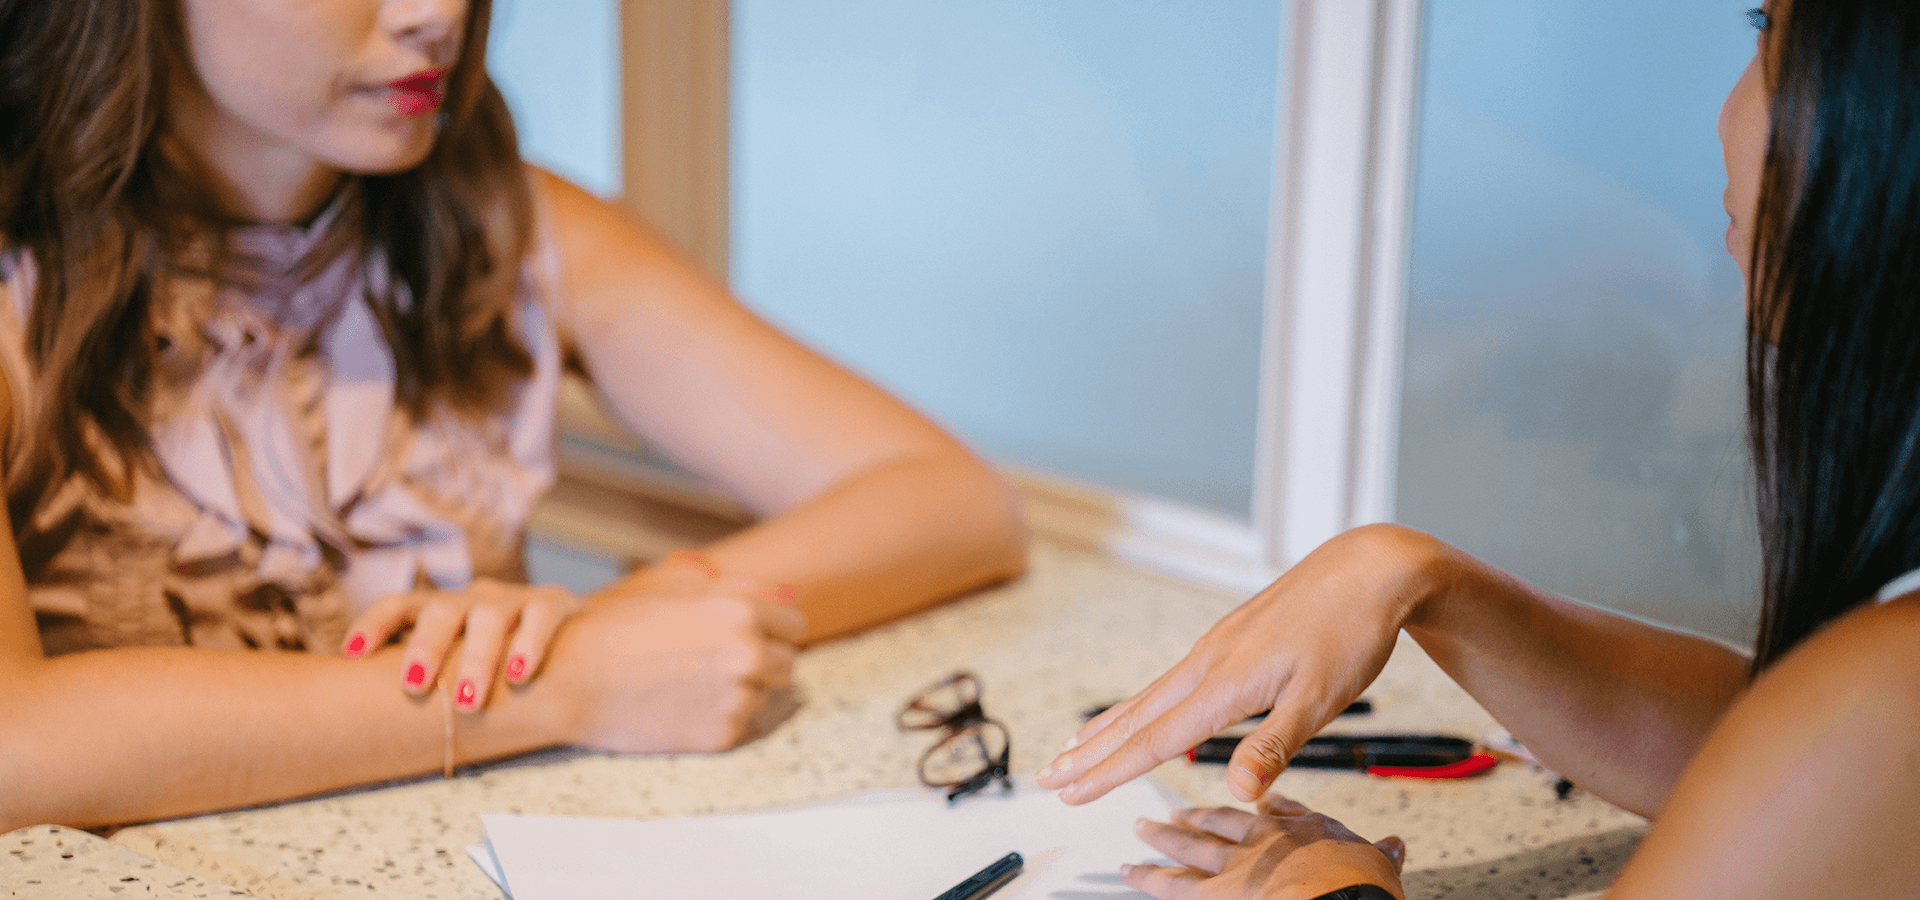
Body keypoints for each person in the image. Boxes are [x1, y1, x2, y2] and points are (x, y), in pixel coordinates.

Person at [0, 0, 1026, 832]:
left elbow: (950, 501)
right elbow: (16, 748)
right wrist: (557, 688)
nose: (437, 17)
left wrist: (630, 616)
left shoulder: (516, 226)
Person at [1037, 2, 1920, 897]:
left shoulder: (1892, 692)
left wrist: (1336, 895)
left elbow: (1836, 748)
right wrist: (1419, 576)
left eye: (1765, 32)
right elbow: (1779, 749)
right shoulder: (1869, 700)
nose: (1728, 104)